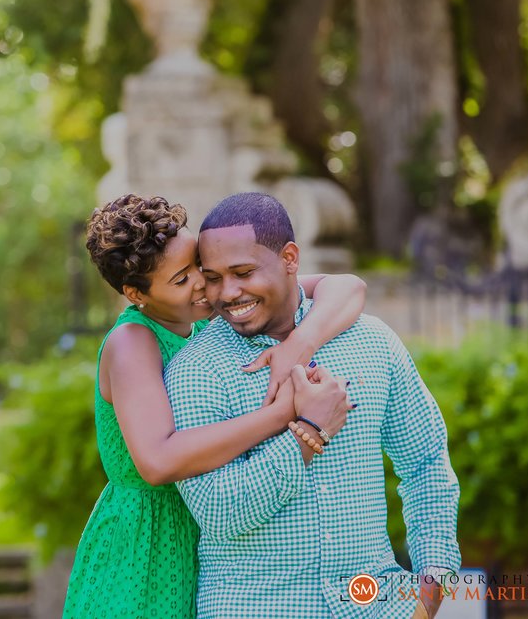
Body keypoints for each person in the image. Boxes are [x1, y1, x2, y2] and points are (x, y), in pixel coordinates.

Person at [63, 194, 364, 619]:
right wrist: (283, 414)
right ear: (136, 293)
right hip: (145, 544)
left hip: (206, 536)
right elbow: (158, 460)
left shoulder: (202, 316)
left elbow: (348, 287)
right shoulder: (133, 342)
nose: (206, 286)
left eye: (199, 268)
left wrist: (300, 343)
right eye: (183, 279)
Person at [164, 193, 460, 619]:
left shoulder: (371, 342)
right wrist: (308, 433)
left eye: (243, 272)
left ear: (289, 258)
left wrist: (433, 586)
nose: (228, 293)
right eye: (212, 277)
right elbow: (219, 513)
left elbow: (426, 462)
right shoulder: (197, 370)